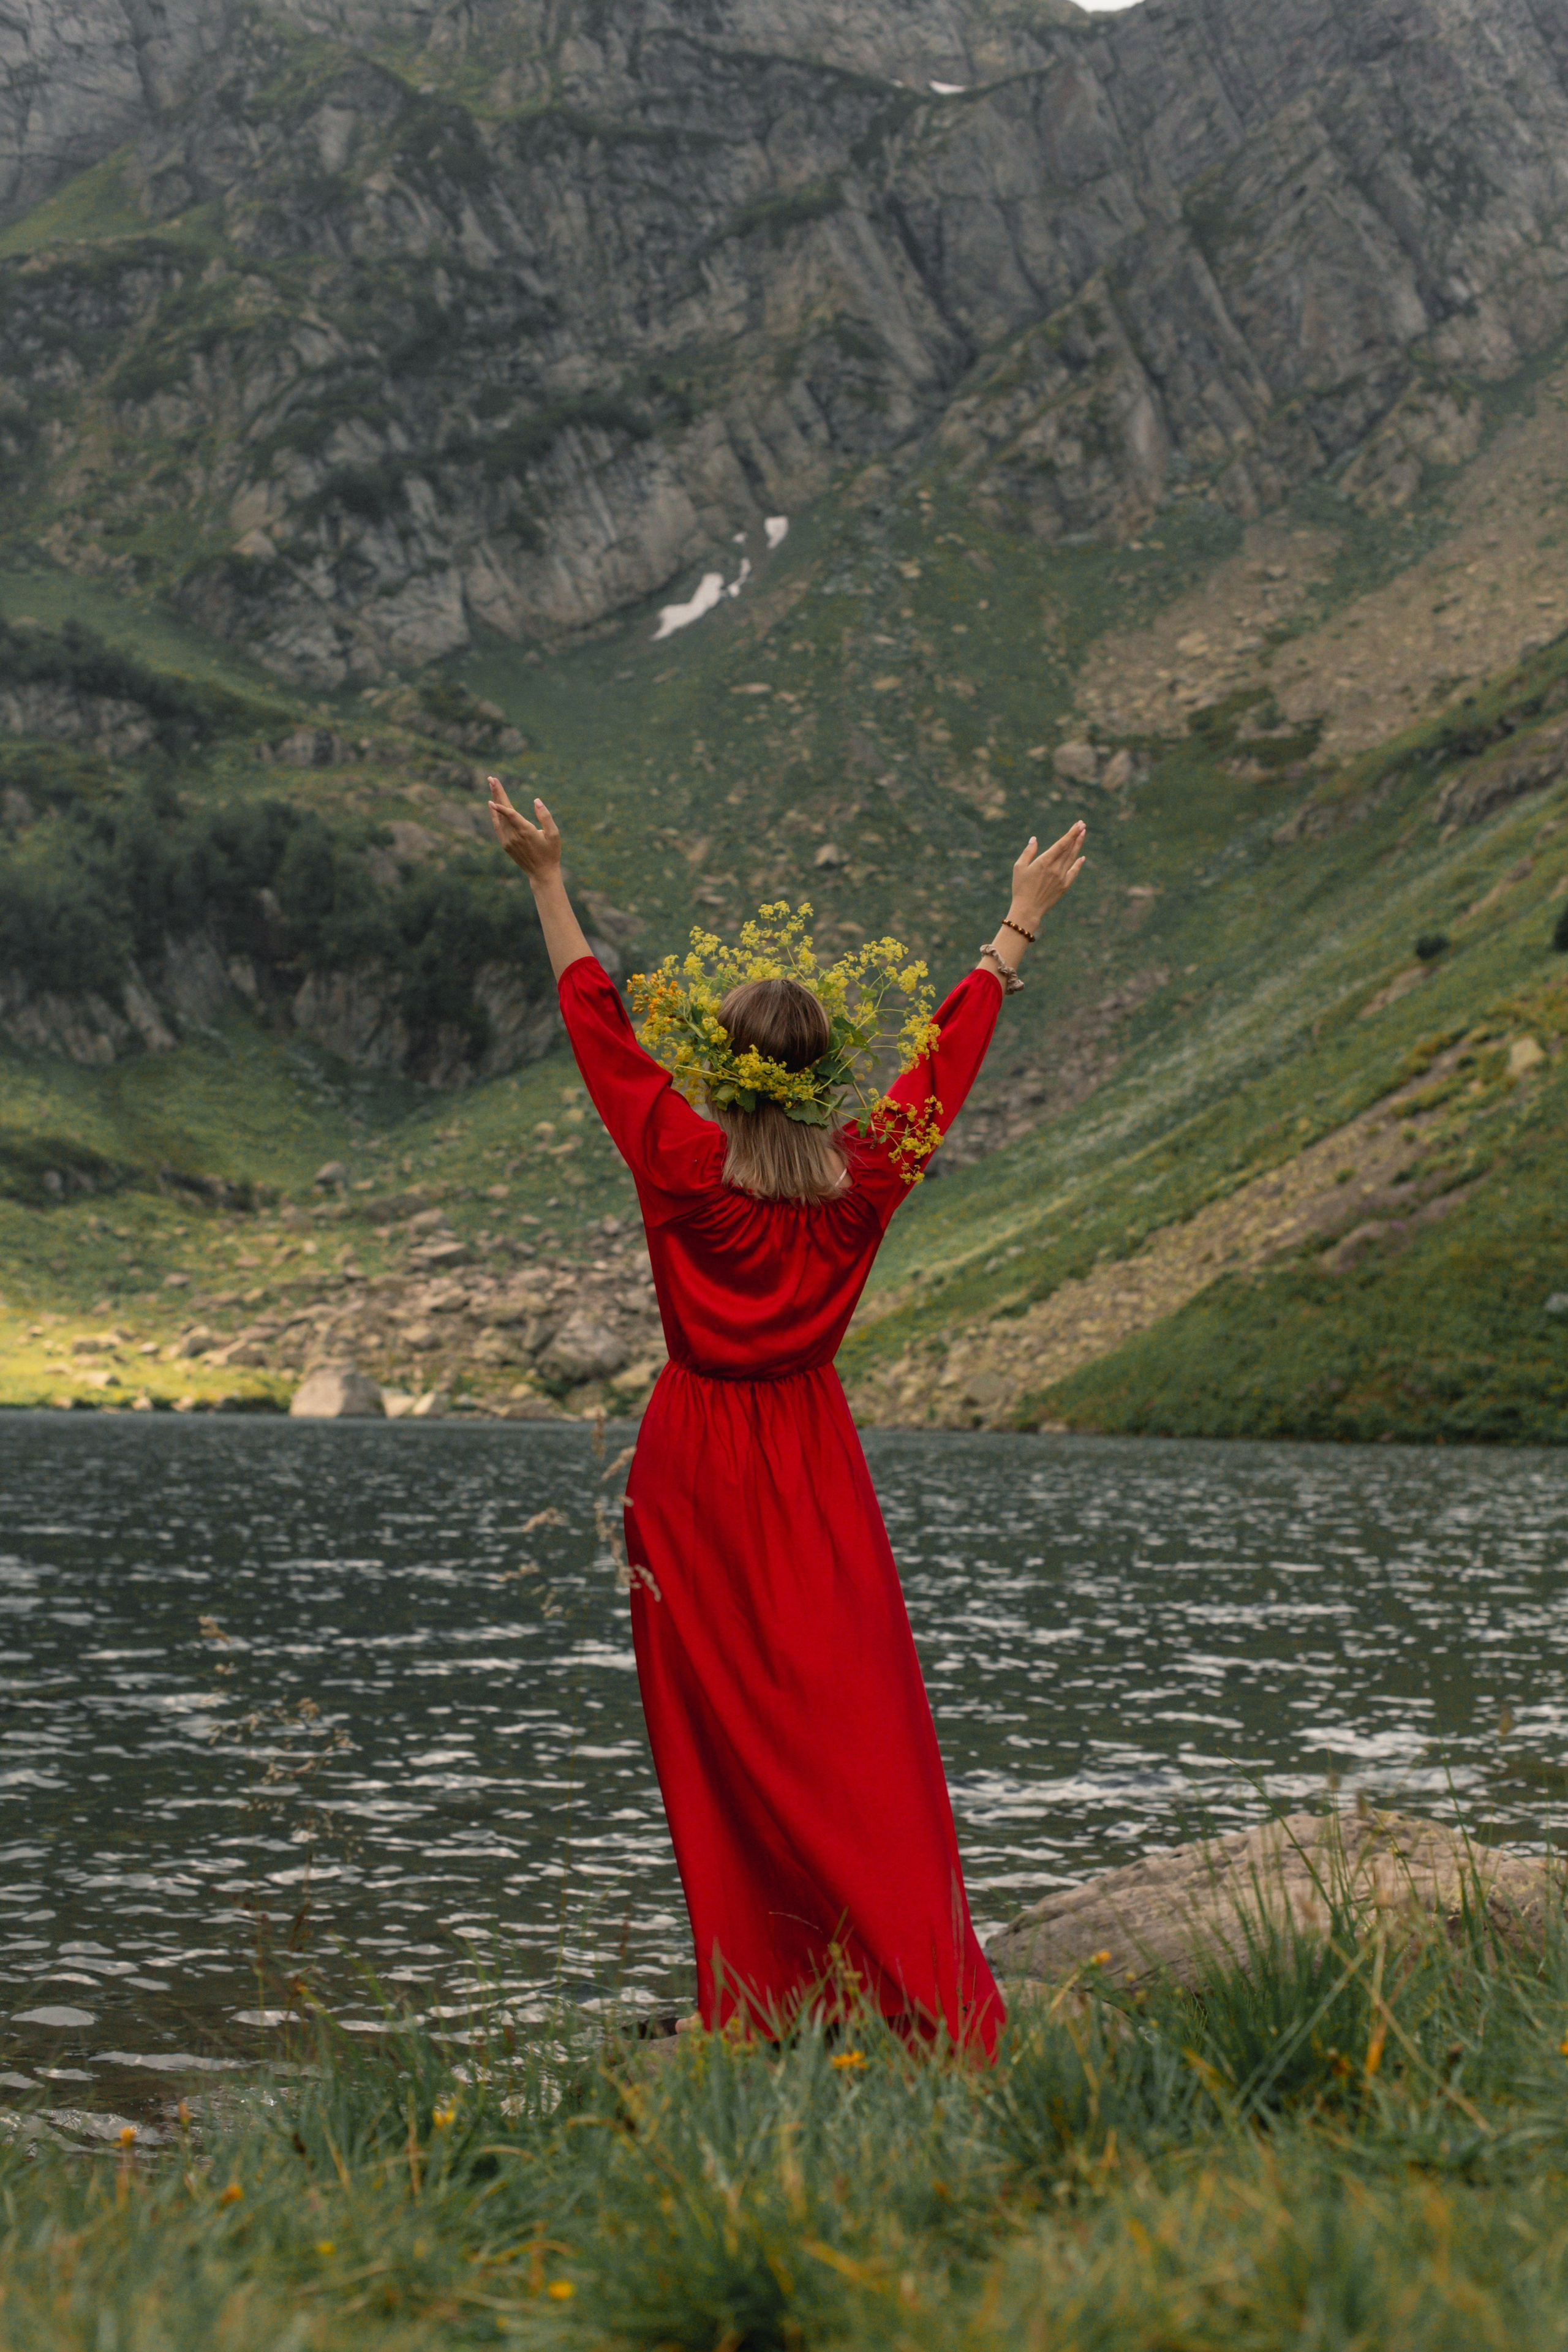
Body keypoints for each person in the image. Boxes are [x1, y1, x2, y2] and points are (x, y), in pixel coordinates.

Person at [489, 774, 1085, 2054]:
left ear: (722, 1071)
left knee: (719, 1734)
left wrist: (546, 878)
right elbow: (948, 1054)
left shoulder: (680, 1165)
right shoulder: (862, 1180)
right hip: (807, 1457)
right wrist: (1016, 920)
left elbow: (596, 1022)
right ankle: (897, 1972)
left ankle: (767, 1989)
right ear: (817, 1082)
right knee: (849, 1715)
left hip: (692, 1460)